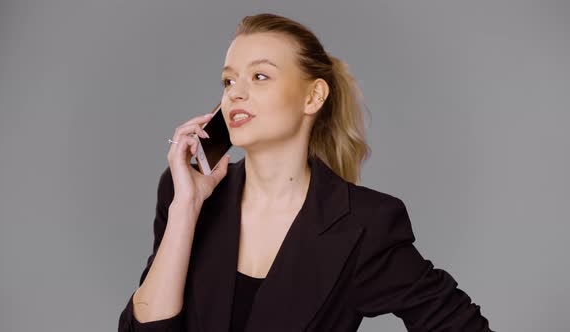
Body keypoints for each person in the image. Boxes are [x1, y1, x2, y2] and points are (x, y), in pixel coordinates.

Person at [118, 12, 493, 332]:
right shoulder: (186, 197)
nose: (235, 93)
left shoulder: (364, 225)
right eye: (229, 80)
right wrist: (186, 205)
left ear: (313, 97)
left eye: (259, 77)